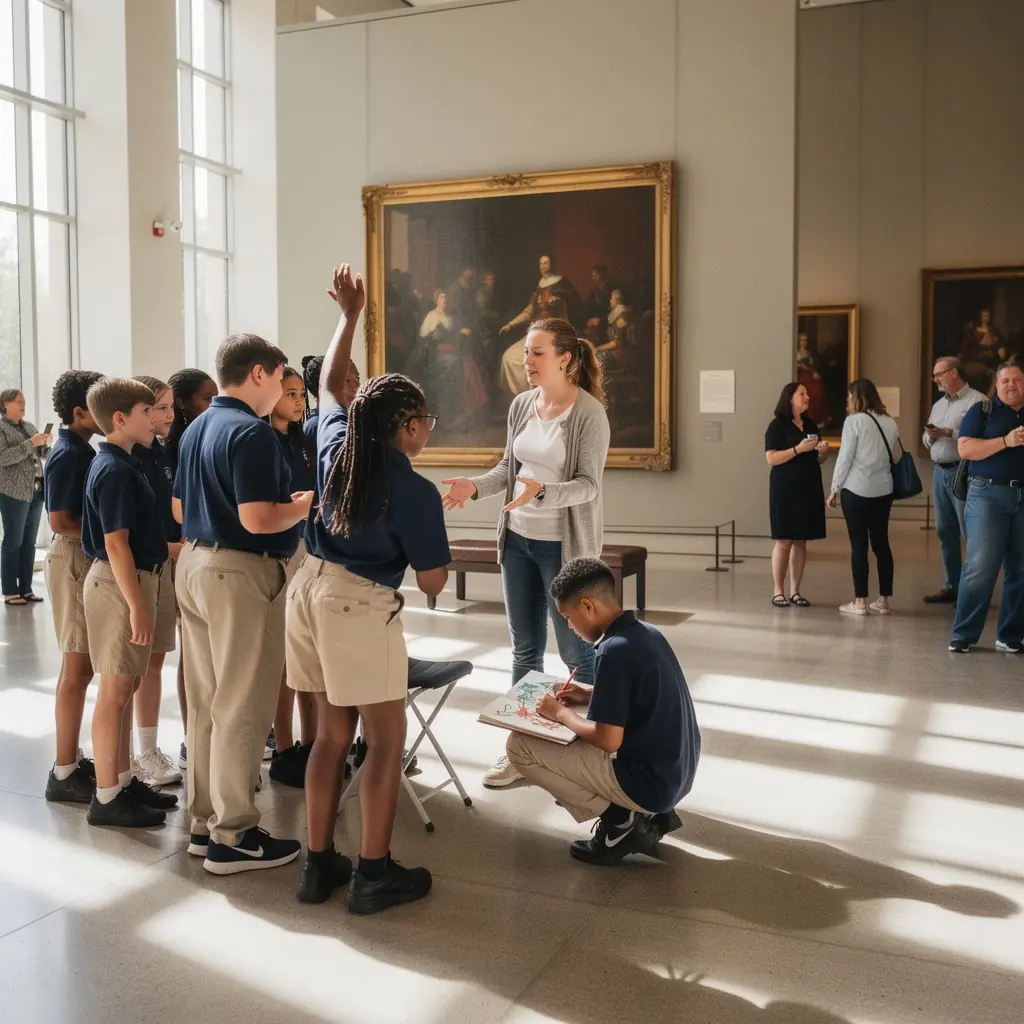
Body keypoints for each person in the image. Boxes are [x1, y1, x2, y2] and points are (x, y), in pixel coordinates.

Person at [288, 265, 449, 914]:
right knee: (383, 742)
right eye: (426, 419)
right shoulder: (413, 488)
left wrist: (348, 316)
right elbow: (435, 582)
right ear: (407, 424)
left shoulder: (335, 446)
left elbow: (329, 383)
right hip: (357, 606)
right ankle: (374, 873)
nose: (429, 429)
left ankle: (317, 863)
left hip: (310, 593)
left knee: (330, 739)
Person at [442, 318, 610, 789]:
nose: (527, 360)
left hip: (565, 548)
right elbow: (507, 469)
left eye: (537, 352)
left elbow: (589, 485)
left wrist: (542, 493)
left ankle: (590, 754)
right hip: (517, 541)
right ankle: (520, 752)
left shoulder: (588, 414)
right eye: (526, 352)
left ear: (565, 359)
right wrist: (473, 487)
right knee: (525, 650)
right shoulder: (522, 404)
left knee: (578, 651)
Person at [173, 333, 312, 875]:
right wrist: (301, 507)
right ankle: (235, 836)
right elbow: (259, 519)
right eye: (281, 378)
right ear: (260, 373)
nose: (283, 389)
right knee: (243, 704)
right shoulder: (252, 434)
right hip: (239, 571)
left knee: (207, 702)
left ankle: (205, 825)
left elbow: (182, 510)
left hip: (195, 562)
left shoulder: (198, 427)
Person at [507, 558, 701, 864]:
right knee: (580, 730)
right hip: (677, 774)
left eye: (567, 618)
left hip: (649, 785)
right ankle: (644, 814)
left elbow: (608, 740)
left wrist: (559, 713)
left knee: (518, 747)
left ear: (587, 606)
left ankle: (620, 821)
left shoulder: (612, 651)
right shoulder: (645, 632)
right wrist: (588, 692)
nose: (569, 627)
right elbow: (644, 692)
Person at [80, 378, 178, 828]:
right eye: (146, 410)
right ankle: (106, 796)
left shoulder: (127, 461)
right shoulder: (114, 469)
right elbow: (116, 545)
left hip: (136, 580)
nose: (154, 417)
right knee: (115, 691)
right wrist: (137, 605)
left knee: (127, 688)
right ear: (121, 418)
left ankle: (120, 780)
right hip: (121, 585)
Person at [43, 370, 104, 804]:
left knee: (80, 667)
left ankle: (71, 758)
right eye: (98, 404)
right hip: (72, 557)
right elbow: (60, 521)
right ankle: (63, 770)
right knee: (76, 667)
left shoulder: (84, 449)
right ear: (79, 412)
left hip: (83, 554)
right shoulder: (67, 453)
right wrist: (110, 534)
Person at [127, 376, 184, 787]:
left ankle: (148, 747)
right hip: (145, 566)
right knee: (137, 665)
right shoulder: (127, 458)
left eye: (169, 407)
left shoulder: (165, 452)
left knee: (157, 659)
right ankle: (140, 751)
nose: (168, 415)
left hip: (169, 563)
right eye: (159, 408)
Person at [949, 362, 1024, 654]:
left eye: (1017, 380)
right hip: (986, 495)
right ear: (997, 383)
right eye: (1005, 380)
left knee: (1020, 568)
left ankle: (1010, 635)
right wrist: (1006, 441)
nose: (1011, 385)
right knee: (980, 566)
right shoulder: (982, 410)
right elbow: (965, 449)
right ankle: (963, 634)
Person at [267, 367, 318, 788]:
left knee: (305, 656)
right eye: (290, 394)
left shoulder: (302, 440)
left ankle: (311, 744)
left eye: (302, 394)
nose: (299, 402)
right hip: (281, 550)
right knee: (284, 660)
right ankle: (283, 746)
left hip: (308, 547)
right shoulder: (264, 440)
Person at [164, 368, 218, 771]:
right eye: (204, 397)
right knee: (193, 652)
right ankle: (191, 737)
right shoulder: (173, 446)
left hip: (200, 551)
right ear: (183, 403)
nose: (211, 404)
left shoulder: (208, 434)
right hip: (180, 553)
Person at [828, 379, 900, 616]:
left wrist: (834, 488)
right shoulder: (890, 422)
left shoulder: (853, 421)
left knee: (859, 545)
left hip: (857, 490)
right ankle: (884, 600)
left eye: (850, 396)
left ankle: (860, 601)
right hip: (883, 490)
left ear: (856, 397)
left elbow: (845, 458)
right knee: (881, 543)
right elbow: (895, 454)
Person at [922, 358, 985, 604]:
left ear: (954, 373)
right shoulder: (938, 405)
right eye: (934, 376)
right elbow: (927, 440)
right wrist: (930, 436)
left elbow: (981, 437)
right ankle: (953, 587)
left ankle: (975, 590)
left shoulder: (977, 401)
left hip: (965, 471)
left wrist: (947, 432)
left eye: (939, 374)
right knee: (945, 531)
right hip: (939, 471)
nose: (935, 379)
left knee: (970, 532)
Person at [764, 383, 830, 607]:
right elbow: (771, 459)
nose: (807, 397)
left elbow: (817, 460)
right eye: (802, 394)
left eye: (807, 394)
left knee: (801, 541)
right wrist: (797, 449)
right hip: (785, 488)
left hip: (809, 486)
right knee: (784, 541)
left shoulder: (810, 424)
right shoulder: (777, 426)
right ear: (790, 399)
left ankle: (795, 591)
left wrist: (822, 452)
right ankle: (778, 590)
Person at [498, 256, 583, 396]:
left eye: (546, 262)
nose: (543, 266)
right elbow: (529, 310)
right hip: (536, 332)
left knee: (537, 361)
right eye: (541, 263)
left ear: (552, 264)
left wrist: (559, 302)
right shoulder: (539, 287)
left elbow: (576, 303)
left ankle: (539, 397)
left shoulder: (562, 283)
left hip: (554, 333)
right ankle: (523, 397)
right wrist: (510, 324)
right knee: (509, 358)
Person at [0, 388, 50, 605]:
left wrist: (44, 445)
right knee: (13, 542)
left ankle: (26, 589)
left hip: (36, 491)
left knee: (29, 543)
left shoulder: (29, 427)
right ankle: (10, 591)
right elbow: (4, 458)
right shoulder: (1, 428)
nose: (23, 405)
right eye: (19, 401)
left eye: (24, 401)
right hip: (13, 492)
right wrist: (31, 443)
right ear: (5, 404)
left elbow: (41, 456)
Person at [796, 333, 830, 425]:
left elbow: (814, 366)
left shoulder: (810, 354)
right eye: (802, 340)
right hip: (802, 378)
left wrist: (814, 372)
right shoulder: (796, 354)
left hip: (811, 377)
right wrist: (806, 370)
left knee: (817, 392)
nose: (804, 342)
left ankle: (818, 418)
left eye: (805, 340)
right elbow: (799, 368)